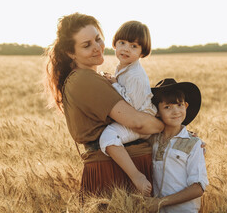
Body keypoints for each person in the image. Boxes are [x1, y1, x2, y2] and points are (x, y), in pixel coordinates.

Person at [44, 12, 164, 197]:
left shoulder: (91, 78)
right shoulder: (85, 80)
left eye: (98, 39)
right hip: (114, 173)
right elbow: (137, 122)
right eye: (86, 45)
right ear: (71, 53)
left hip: (120, 167)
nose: (97, 48)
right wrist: (163, 126)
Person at [99, 21, 157, 196]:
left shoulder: (136, 75)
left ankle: (136, 176)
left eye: (133, 46)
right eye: (122, 43)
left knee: (107, 137)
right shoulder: (124, 67)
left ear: (142, 52)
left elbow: (132, 107)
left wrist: (115, 84)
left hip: (140, 122)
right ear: (115, 43)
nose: (125, 49)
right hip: (132, 119)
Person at [149, 78, 209, 212]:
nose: (176, 111)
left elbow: (198, 188)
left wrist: (161, 202)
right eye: (167, 107)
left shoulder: (193, 143)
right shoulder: (152, 140)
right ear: (157, 111)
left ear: (186, 106)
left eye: (179, 105)